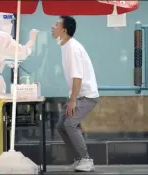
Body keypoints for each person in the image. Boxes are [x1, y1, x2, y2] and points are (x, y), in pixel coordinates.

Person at [51, 16, 99, 172]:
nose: (52, 26)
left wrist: (72, 101)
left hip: (86, 96)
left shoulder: (73, 48)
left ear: (64, 30)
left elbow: (77, 78)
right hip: (77, 94)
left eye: (56, 24)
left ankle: (86, 159)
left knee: (70, 124)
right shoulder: (65, 46)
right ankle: (79, 159)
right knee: (61, 126)